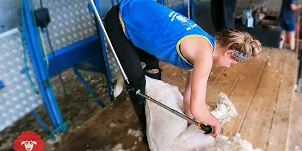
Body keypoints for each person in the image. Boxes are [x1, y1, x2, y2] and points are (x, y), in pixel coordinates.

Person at [104, 0, 262, 143]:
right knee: (137, 83)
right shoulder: (204, 56)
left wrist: (189, 114)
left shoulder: (207, 43)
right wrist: (215, 122)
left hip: (143, 16)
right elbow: (198, 108)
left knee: (152, 71)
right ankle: (147, 129)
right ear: (228, 53)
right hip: (121, 19)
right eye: (232, 63)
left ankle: (151, 110)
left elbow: (190, 95)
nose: (228, 66)